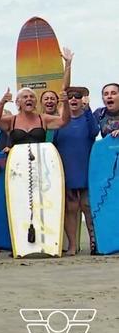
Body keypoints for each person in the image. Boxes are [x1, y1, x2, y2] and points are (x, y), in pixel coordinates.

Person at [0, 48, 73, 146]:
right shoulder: (11, 120)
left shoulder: (43, 118)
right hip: (18, 159)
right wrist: (2, 102)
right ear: (18, 102)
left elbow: (64, 121)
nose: (29, 99)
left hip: (40, 158)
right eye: (25, 97)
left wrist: (65, 102)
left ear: (36, 102)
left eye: (32, 97)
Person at [53, 87, 99, 255]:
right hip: (66, 170)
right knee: (71, 209)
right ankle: (73, 245)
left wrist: (88, 109)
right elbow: (53, 143)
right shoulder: (59, 122)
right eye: (70, 96)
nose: (73, 99)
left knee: (88, 207)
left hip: (87, 169)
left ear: (82, 100)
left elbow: (95, 132)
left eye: (77, 97)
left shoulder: (88, 118)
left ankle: (95, 243)